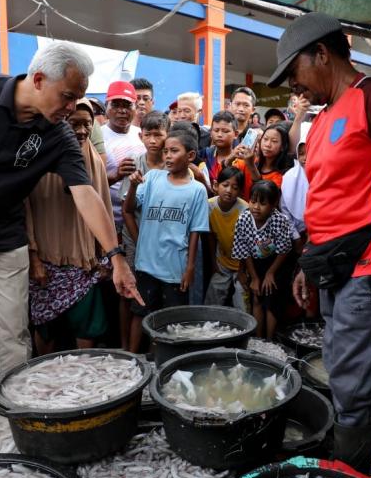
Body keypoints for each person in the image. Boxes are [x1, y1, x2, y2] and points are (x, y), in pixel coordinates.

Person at [0, 42, 141, 426]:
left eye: (79, 99)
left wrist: (116, 256)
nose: (72, 108)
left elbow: (85, 195)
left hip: (3, 234)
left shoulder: (57, 136)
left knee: (14, 333)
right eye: (68, 96)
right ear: (38, 79)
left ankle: (15, 420)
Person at [273, 13, 371, 469]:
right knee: (343, 363)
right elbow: (330, 200)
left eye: (295, 73)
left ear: (322, 54)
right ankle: (352, 447)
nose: (294, 87)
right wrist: (308, 263)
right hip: (336, 265)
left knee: (349, 375)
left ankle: (350, 468)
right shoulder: (323, 118)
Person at [27, 99, 113, 354]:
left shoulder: (93, 159)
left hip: (84, 262)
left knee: (88, 325)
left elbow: (104, 207)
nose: (82, 131)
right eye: (74, 123)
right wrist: (34, 259)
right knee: (45, 325)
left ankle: (85, 379)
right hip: (46, 258)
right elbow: (26, 210)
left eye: (87, 124)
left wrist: (105, 254)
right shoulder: (36, 157)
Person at [123, 128, 209, 353]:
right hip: (146, 263)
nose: (167, 156)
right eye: (165, 151)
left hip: (174, 267)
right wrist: (132, 186)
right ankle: (133, 357)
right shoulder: (152, 178)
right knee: (140, 311)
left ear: (190, 156)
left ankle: (159, 359)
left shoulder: (197, 190)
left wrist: (190, 267)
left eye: (174, 151)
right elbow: (129, 209)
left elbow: (195, 231)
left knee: (169, 320)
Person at [119, 111, 169, 347]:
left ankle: (153, 345)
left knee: (155, 294)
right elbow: (126, 209)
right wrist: (140, 242)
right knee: (132, 291)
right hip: (135, 237)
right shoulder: (135, 163)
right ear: (141, 136)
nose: (152, 140)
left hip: (161, 239)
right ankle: (126, 345)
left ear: (167, 135)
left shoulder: (171, 165)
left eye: (158, 134)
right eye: (148, 135)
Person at [232, 180, 293, 338]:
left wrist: (270, 273)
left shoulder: (280, 221)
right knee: (257, 297)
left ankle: (270, 339)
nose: (256, 207)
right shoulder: (244, 219)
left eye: (262, 203)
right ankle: (259, 339)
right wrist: (253, 277)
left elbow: (283, 250)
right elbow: (243, 249)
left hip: (276, 264)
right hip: (254, 263)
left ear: (273, 205)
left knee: (272, 300)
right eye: (253, 201)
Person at [102, 80, 144, 231]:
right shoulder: (97, 138)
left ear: (135, 108)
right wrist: (116, 176)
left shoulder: (142, 134)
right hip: (111, 223)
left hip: (141, 221)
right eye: (116, 105)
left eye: (127, 105)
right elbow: (89, 185)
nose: (122, 110)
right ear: (106, 107)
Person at [204, 167, 248, 309]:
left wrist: (242, 271)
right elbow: (211, 236)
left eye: (234, 187)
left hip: (244, 264)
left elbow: (246, 244)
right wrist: (213, 262)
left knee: (242, 299)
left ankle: (244, 329)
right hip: (222, 260)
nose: (229, 190)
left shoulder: (244, 210)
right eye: (225, 185)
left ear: (240, 191)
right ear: (216, 186)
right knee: (213, 297)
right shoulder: (209, 206)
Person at [230, 121, 292, 200]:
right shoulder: (249, 160)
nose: (268, 144)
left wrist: (251, 166)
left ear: (283, 146)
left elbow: (262, 195)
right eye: (265, 139)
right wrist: (231, 156)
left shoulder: (282, 176)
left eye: (274, 141)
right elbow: (225, 175)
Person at [197, 111, 238, 186]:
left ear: (236, 134)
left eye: (225, 131)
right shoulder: (204, 154)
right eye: (216, 130)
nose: (219, 135)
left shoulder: (240, 159)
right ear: (210, 133)